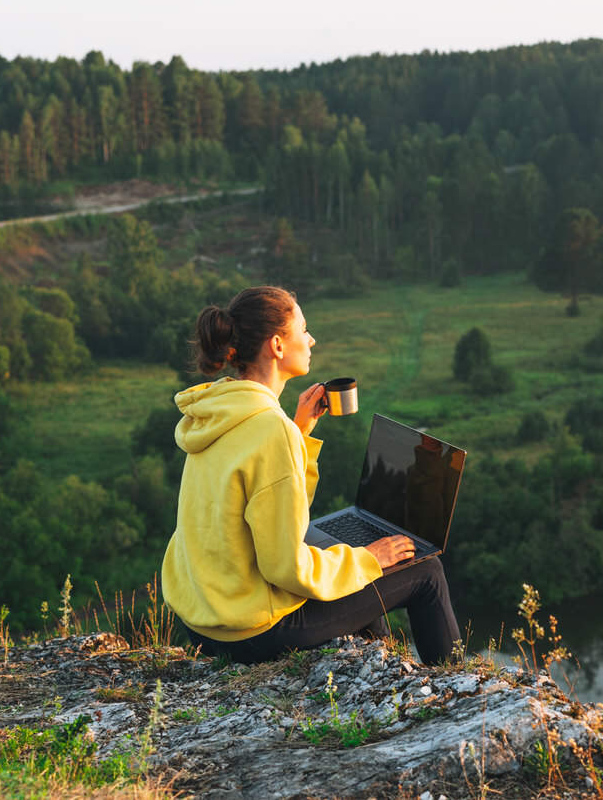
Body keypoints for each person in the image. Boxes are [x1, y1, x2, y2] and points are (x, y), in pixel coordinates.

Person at [161, 285, 461, 665]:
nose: (312, 338)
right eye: (303, 329)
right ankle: (459, 694)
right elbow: (286, 568)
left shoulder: (220, 408)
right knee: (426, 572)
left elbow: (274, 514)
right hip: (251, 631)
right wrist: (369, 559)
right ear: (277, 345)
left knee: (338, 558)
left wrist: (299, 431)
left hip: (203, 620)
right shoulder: (271, 430)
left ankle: (381, 670)